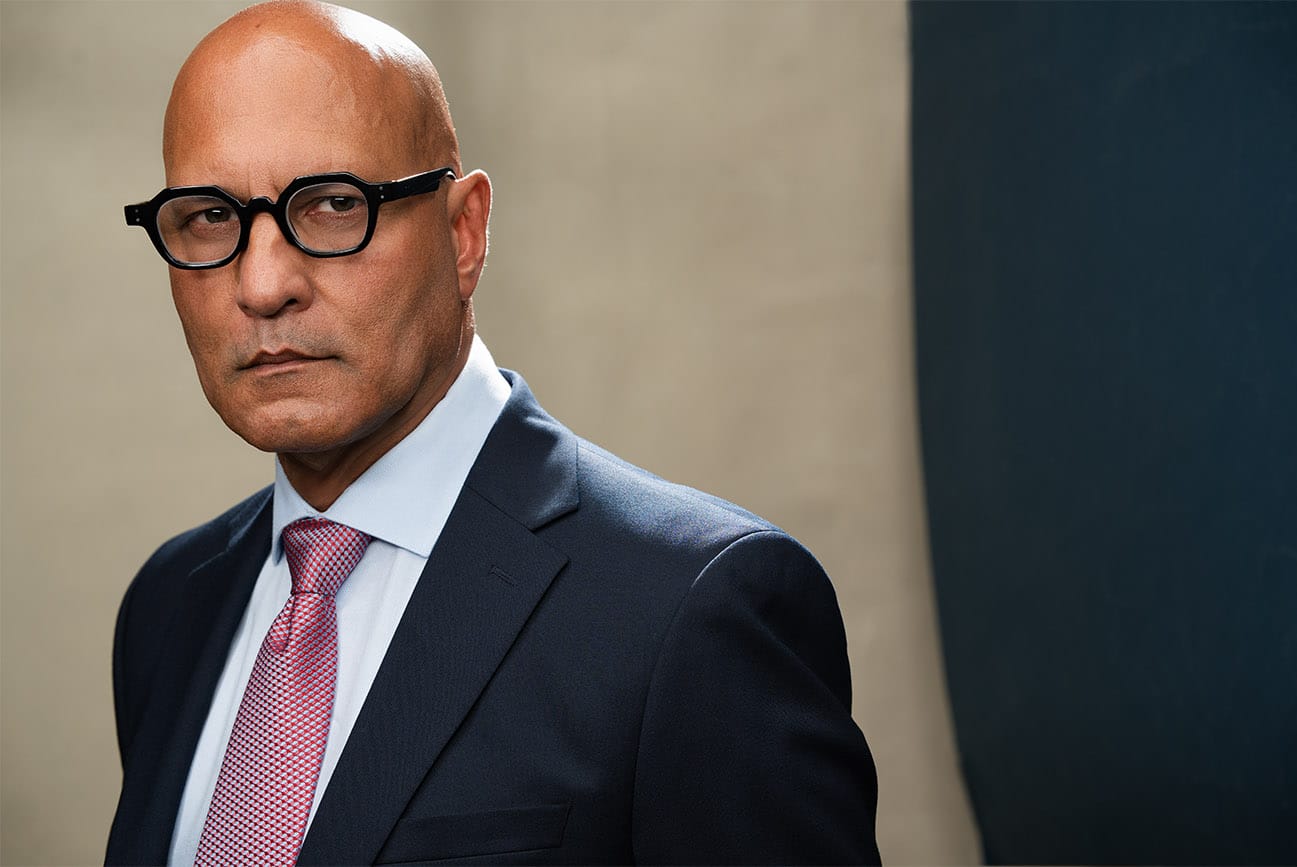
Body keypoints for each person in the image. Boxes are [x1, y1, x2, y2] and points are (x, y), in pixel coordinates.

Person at [105, 2, 880, 864]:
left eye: (331, 203)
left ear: (464, 232)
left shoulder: (689, 609)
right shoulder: (169, 607)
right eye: (209, 217)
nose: (262, 283)